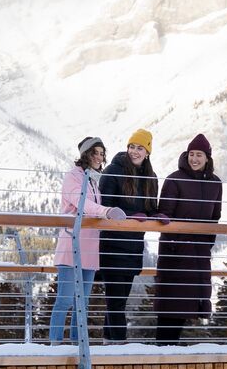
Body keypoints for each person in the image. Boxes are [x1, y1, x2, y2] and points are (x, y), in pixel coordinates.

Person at [49, 137, 124, 344]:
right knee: (64, 299)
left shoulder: (93, 179)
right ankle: (54, 344)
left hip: (90, 247)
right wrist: (106, 211)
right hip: (72, 244)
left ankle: (78, 342)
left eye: (101, 153)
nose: (99, 157)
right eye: (95, 153)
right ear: (85, 154)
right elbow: (82, 204)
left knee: (82, 301)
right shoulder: (73, 177)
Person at [153, 133, 224, 344]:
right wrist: (175, 242)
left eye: (199, 155)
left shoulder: (215, 183)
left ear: (207, 158)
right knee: (170, 310)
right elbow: (164, 214)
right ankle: (162, 354)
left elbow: (215, 217)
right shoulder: (175, 179)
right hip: (175, 254)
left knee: (185, 308)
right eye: (191, 154)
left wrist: (206, 244)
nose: (194, 159)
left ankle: (171, 357)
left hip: (199, 255)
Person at [97, 129, 165, 342]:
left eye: (140, 148)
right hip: (112, 245)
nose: (135, 151)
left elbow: (149, 207)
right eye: (132, 146)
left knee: (118, 301)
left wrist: (157, 215)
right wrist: (127, 216)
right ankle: (118, 346)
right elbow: (104, 208)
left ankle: (109, 343)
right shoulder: (113, 172)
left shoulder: (150, 177)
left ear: (148, 152)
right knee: (116, 302)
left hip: (134, 247)